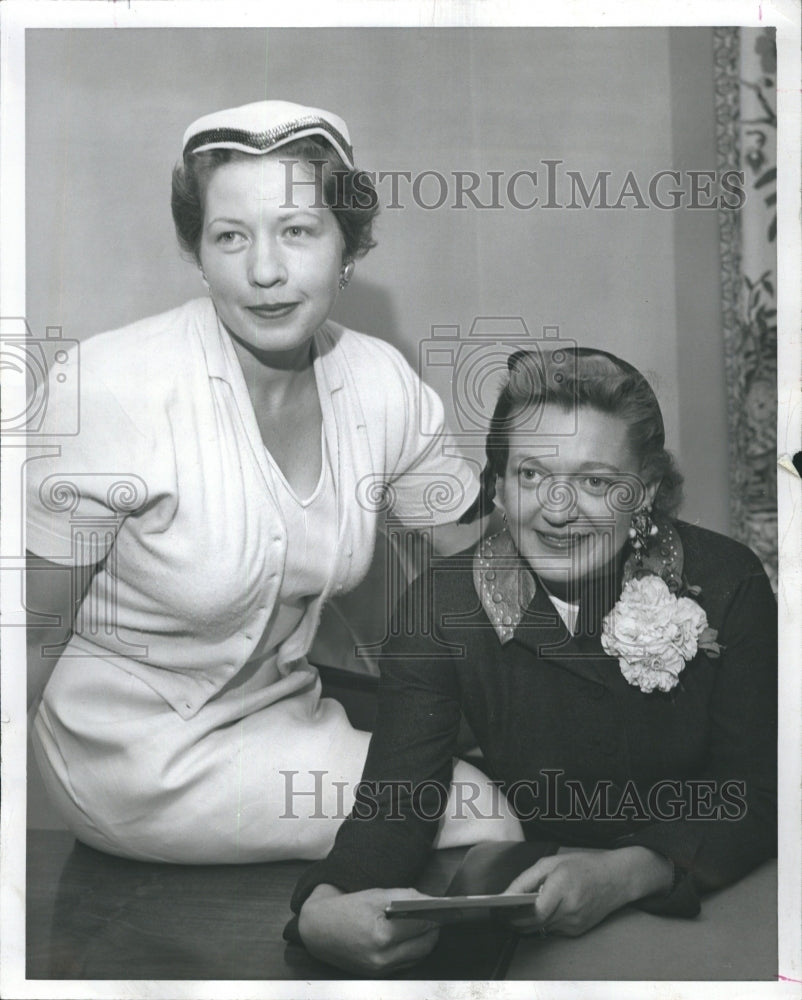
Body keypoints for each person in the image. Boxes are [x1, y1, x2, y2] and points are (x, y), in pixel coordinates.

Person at [25, 100, 522, 863]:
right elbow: (26, 629)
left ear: (347, 246)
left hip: (288, 714)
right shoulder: (112, 384)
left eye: (298, 231)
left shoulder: (376, 379)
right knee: (476, 812)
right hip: (134, 758)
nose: (265, 272)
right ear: (198, 252)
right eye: (230, 237)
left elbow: (477, 541)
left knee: (492, 784)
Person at [289, 346, 778, 976]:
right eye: (529, 475)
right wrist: (321, 911)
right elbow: (398, 804)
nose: (556, 507)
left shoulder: (726, 580)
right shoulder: (442, 605)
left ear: (647, 492)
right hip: (538, 902)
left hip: (711, 882)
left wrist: (630, 873)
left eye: (597, 482)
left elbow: (761, 791)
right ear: (496, 485)